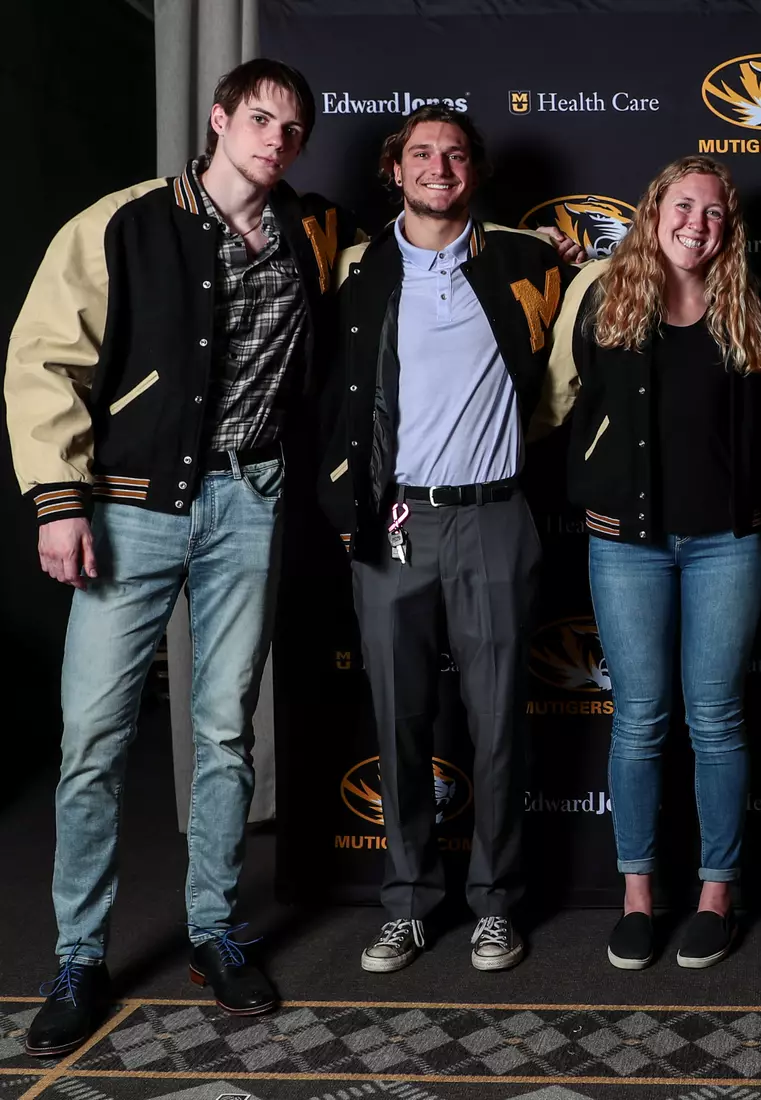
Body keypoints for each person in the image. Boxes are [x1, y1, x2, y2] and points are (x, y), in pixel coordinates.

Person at [6, 59, 356, 1055]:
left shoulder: (312, 232)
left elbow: (407, 257)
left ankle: (213, 930)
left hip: (250, 501)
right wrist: (59, 501)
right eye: (260, 119)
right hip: (129, 507)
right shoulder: (122, 221)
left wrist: (553, 251)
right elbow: (45, 358)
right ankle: (80, 955)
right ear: (218, 118)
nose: (276, 139)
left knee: (225, 729)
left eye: (293, 128)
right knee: (94, 736)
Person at [316, 105, 580, 975]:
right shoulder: (354, 270)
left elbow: (580, 342)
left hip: (495, 516)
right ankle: (408, 904)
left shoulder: (525, 261)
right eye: (422, 154)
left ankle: (496, 904)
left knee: (498, 723)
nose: (439, 166)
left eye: (456, 154)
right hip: (395, 521)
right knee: (400, 721)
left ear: (476, 171)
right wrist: (349, 502)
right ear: (394, 170)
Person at [545, 155, 761, 971]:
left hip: (726, 545)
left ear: (727, 229)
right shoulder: (601, 291)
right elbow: (553, 399)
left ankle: (716, 897)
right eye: (683, 207)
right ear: (653, 210)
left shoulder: (748, 305)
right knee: (639, 720)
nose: (696, 224)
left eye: (712, 213)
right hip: (628, 545)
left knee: (716, 720)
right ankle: (637, 899)